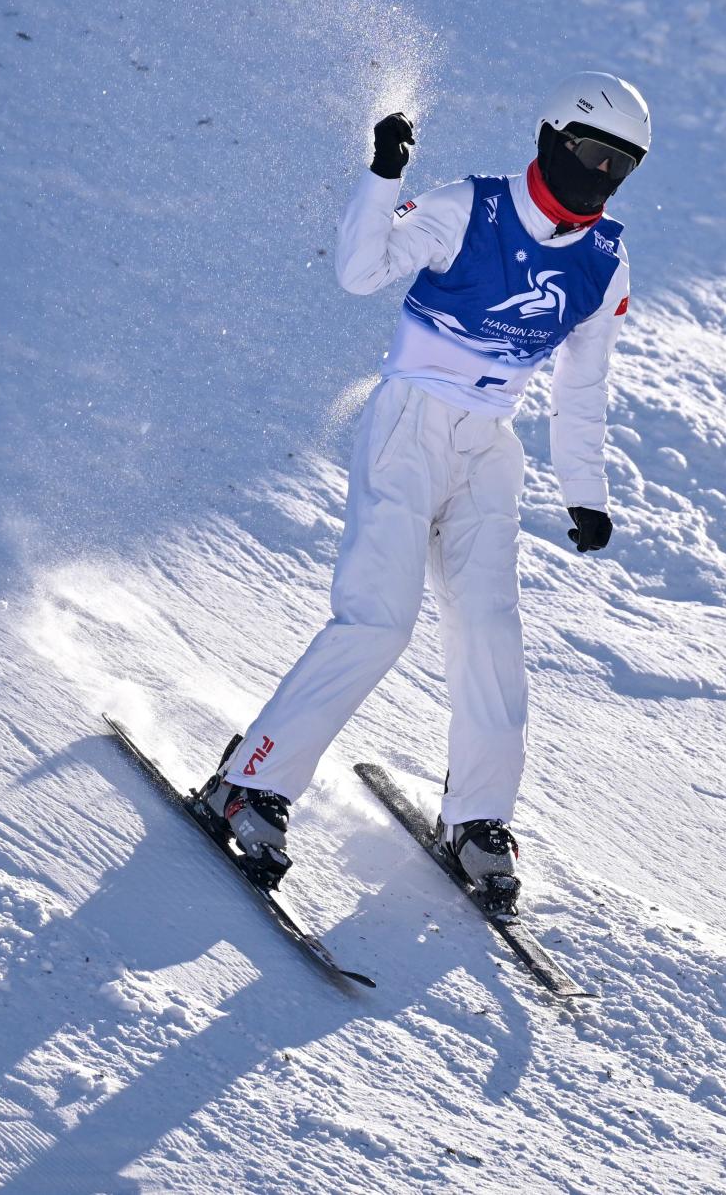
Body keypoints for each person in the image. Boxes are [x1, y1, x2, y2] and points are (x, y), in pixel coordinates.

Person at [198, 70, 651, 914]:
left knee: (491, 634)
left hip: (490, 448)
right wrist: (383, 176)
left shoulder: (603, 256)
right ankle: (248, 783)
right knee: (379, 617)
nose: (601, 175)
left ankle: (479, 819)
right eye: (591, 152)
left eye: (621, 166)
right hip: (411, 420)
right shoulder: (466, 207)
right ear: (553, 139)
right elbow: (360, 272)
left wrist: (585, 491)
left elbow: (582, 388)